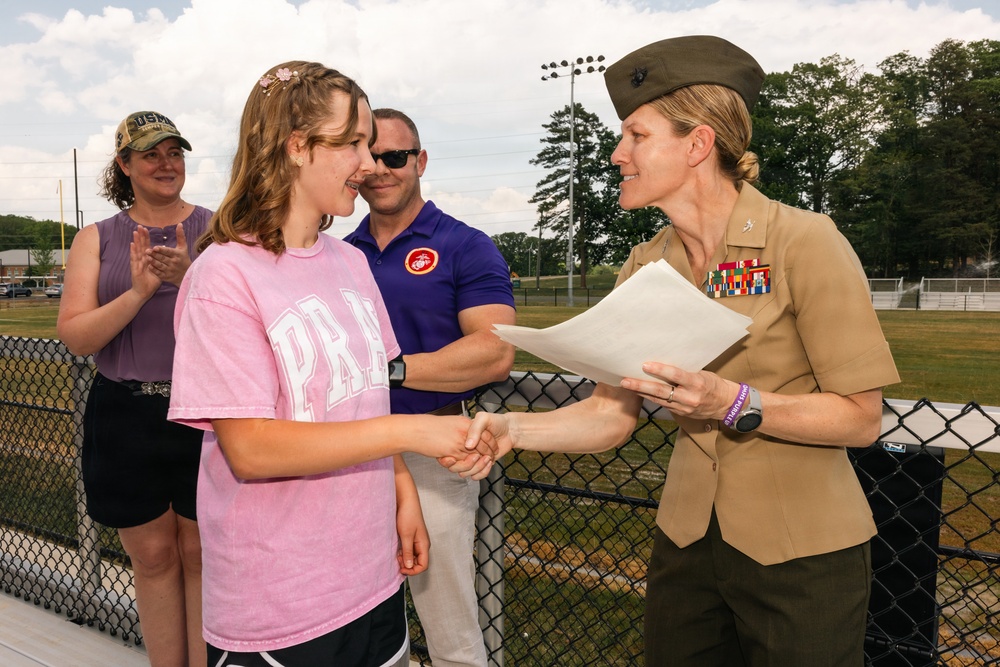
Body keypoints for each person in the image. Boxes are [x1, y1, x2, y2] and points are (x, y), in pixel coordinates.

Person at [458, 36, 900, 667]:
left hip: (805, 554)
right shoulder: (643, 265)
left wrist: (735, 401)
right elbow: (610, 414)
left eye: (636, 136)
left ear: (698, 145)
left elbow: (861, 417)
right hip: (686, 546)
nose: (617, 155)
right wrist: (510, 428)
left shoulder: (804, 241)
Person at [166, 61, 495, 667]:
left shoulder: (349, 264)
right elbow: (252, 449)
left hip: (371, 577)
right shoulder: (223, 275)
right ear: (297, 147)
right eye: (353, 144)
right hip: (280, 599)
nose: (369, 164)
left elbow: (364, 395)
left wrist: (402, 489)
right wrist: (411, 430)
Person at [345, 108, 516, 667]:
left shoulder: (464, 243)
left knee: (446, 616)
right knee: (355, 613)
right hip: (348, 448)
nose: (381, 170)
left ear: (420, 161)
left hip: (433, 448)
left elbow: (495, 350)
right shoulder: (340, 252)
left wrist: (388, 369)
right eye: (371, 158)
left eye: (396, 157)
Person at [57, 110, 210, 666]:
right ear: (125, 165)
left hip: (204, 411)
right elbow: (76, 336)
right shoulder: (96, 238)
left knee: (200, 553)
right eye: (151, 154)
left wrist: (189, 275)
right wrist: (141, 290)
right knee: (150, 557)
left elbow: (246, 321)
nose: (166, 164)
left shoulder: (220, 228)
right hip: (124, 410)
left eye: (175, 152)